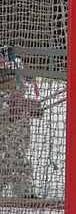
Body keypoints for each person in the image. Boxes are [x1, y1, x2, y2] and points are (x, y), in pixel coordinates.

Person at [0, 48, 42, 199]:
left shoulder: (15, 65)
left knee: (18, 156)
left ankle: (24, 191)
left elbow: (20, 89)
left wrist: (30, 107)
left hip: (18, 123)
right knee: (5, 158)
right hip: (4, 125)